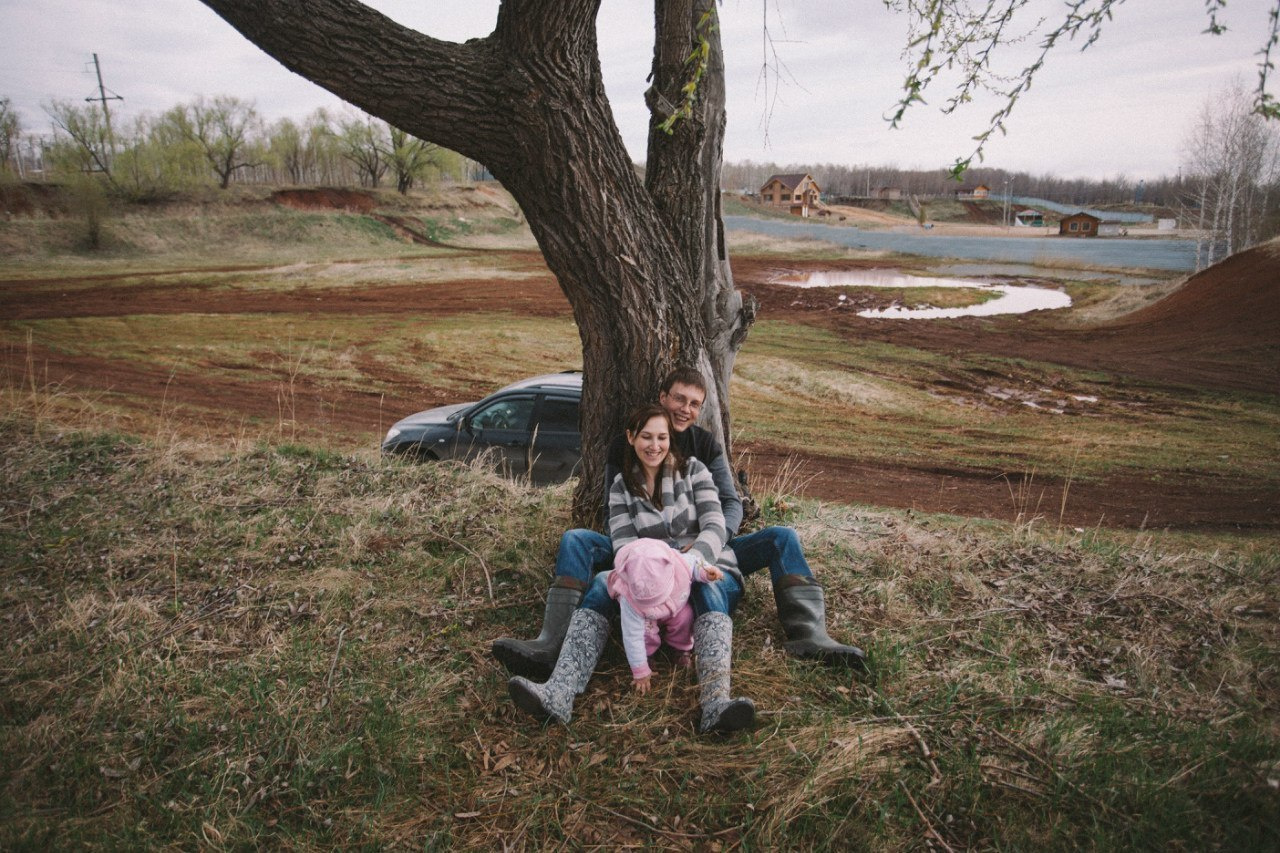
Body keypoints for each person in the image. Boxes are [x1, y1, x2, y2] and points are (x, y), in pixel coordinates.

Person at [491, 367, 866, 679]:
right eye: (679, 399)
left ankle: (810, 636)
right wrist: (648, 558)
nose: (685, 409)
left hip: (705, 545)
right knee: (576, 539)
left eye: (694, 403)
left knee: (782, 537)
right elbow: (613, 510)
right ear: (663, 397)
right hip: (642, 548)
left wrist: (705, 549)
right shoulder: (627, 445)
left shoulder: (705, 447)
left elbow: (729, 504)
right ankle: (551, 644)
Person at [508, 406, 755, 734]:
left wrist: (690, 562)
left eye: (662, 437)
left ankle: (716, 703)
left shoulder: (694, 470)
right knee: (602, 583)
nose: (655, 445)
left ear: (670, 439)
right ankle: (558, 693)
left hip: (701, 565)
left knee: (708, 589)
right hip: (645, 575)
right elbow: (623, 546)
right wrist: (648, 572)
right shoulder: (621, 486)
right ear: (631, 437)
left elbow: (715, 524)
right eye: (646, 437)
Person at [609, 538, 723, 692]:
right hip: (646, 617)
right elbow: (632, 635)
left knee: (685, 617)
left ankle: (680, 648)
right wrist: (640, 670)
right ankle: (647, 655)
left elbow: (695, 565)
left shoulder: (678, 562)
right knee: (643, 632)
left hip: (676, 605)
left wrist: (706, 572)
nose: (656, 603)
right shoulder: (629, 599)